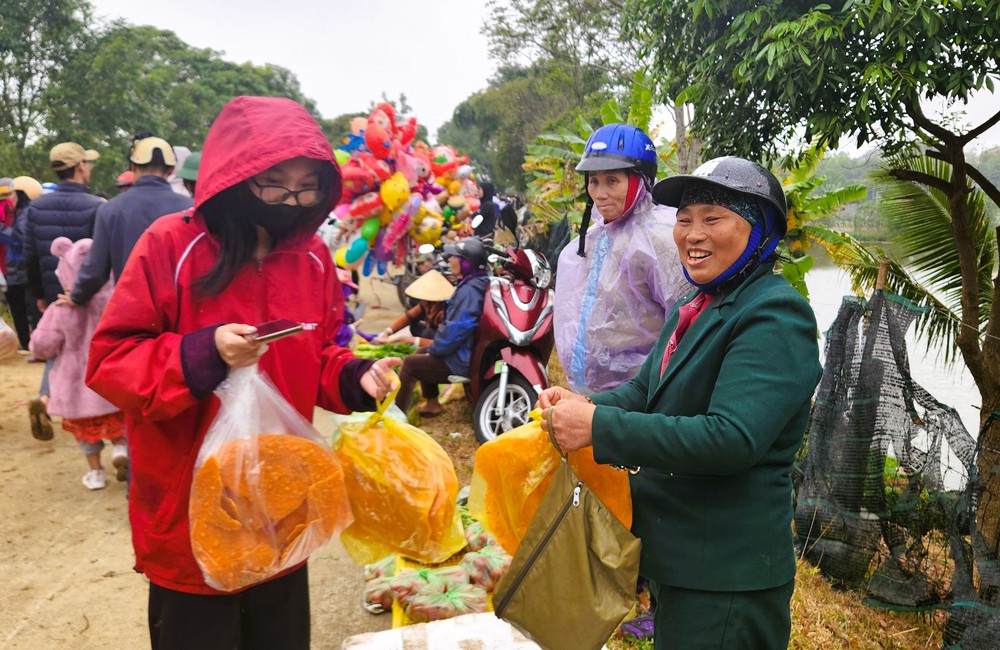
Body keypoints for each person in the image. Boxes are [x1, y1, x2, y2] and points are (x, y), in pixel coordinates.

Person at [85, 96, 400, 649]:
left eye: (307, 187)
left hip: (280, 505)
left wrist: (355, 378)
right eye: (275, 183)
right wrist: (202, 353)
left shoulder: (313, 260)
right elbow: (112, 361)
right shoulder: (170, 246)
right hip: (191, 507)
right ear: (235, 176)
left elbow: (320, 351)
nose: (291, 200)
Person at [538, 156, 823, 650]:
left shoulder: (775, 315)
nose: (692, 233)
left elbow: (731, 438)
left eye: (713, 218)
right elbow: (645, 393)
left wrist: (599, 428)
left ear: (760, 231)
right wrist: (583, 403)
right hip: (680, 559)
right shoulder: (696, 307)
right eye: (685, 219)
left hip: (727, 575)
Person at [554, 123, 689, 396]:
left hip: (641, 399)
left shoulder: (661, 237)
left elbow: (684, 320)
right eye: (594, 181)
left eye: (612, 180)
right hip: (587, 398)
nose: (600, 193)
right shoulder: (587, 241)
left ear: (640, 181)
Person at [29, 237, 127, 490]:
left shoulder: (60, 309)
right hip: (112, 380)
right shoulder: (117, 304)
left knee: (86, 432)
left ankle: (95, 473)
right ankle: (120, 449)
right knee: (117, 422)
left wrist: (36, 347)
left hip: (77, 386)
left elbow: (42, 345)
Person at [22, 142, 104, 441]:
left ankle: (45, 400)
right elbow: (102, 256)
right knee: (90, 346)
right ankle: (97, 408)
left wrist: (40, 294)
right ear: (80, 166)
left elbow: (29, 254)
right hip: (91, 293)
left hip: (54, 289)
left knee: (60, 347)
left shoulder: (36, 207)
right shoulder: (97, 206)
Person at [60, 135, 193, 308]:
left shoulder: (110, 209)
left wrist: (77, 296)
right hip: (179, 309)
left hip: (132, 310)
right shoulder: (190, 208)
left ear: (133, 166)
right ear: (171, 169)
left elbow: (96, 271)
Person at [394, 237, 489, 417]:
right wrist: (433, 348)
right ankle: (432, 403)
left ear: (466, 263)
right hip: (464, 352)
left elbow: (457, 329)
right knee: (422, 352)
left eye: (454, 257)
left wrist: (436, 350)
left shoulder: (469, 291)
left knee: (409, 365)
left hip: (461, 360)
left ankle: (397, 417)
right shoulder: (474, 283)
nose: (450, 260)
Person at [1, 176, 44, 350]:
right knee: (18, 308)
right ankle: (26, 343)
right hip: (15, 268)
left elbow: (19, 239)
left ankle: (33, 344)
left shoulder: (26, 214)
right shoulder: (18, 213)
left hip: (23, 267)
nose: (10, 198)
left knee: (29, 308)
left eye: (13, 193)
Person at [373, 268, 453, 347]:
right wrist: (388, 332)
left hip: (441, 341)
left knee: (427, 333)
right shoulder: (427, 303)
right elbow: (409, 317)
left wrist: (414, 340)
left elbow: (445, 343)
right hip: (433, 336)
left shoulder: (446, 311)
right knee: (415, 325)